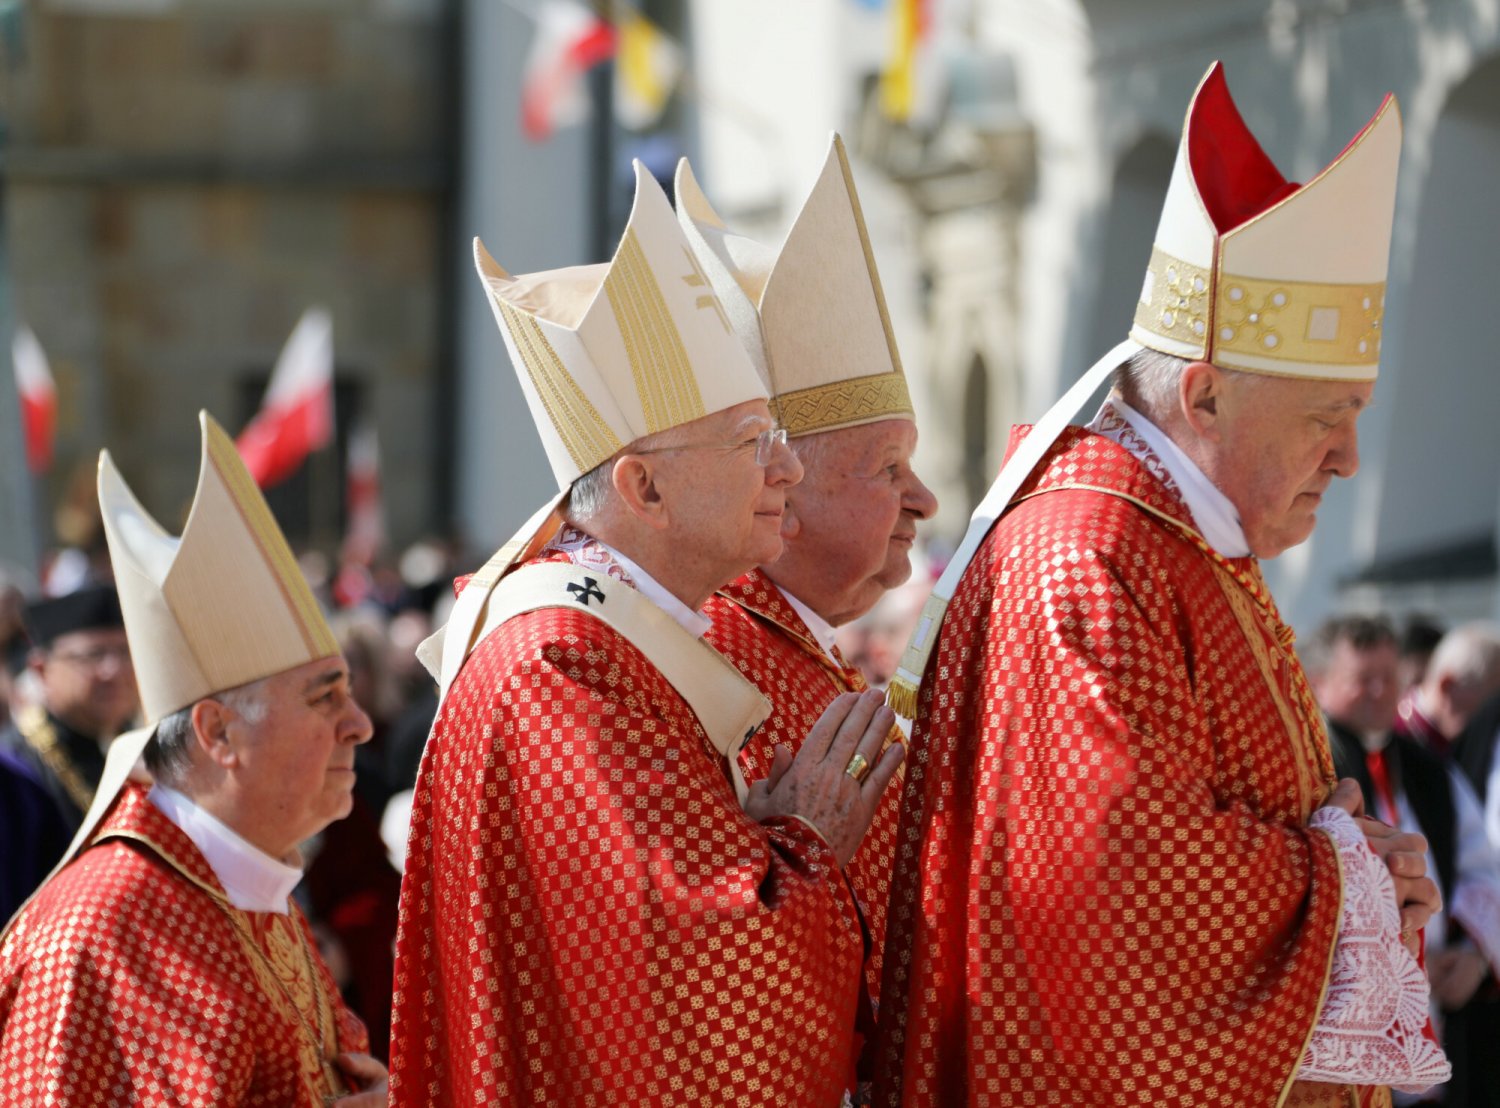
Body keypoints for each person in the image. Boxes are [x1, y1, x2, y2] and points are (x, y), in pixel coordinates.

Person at [873, 63, 1448, 1107]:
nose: (1353, 458)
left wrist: (1357, 864)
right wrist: (1350, 880)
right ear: (1207, 393)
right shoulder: (1087, 558)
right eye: (1327, 417)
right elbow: (1120, 884)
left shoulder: (1184, 544)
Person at [388, 164, 905, 1107]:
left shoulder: (631, 643)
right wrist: (812, 837)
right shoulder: (558, 665)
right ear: (644, 489)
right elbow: (697, 975)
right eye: (753, 440)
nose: (786, 467)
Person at [0, 412, 386, 1106]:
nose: (358, 725)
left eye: (351, 695)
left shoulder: (253, 886)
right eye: (325, 698)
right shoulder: (95, 932)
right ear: (218, 734)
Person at [677, 134, 937, 1085]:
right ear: (785, 480)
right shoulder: (720, 663)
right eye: (888, 468)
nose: (924, 499)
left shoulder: (801, 651)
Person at [1309, 615, 1500, 1107]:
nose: (1379, 692)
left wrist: (1475, 954)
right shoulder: (1312, 769)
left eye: (1388, 678)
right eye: (1361, 680)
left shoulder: (1425, 767)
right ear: (1322, 683)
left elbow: (1483, 863)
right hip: (1352, 1025)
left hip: (1440, 1004)